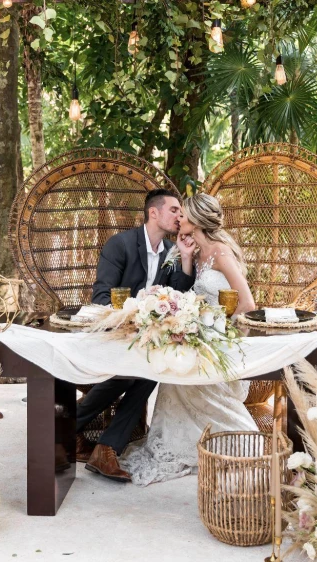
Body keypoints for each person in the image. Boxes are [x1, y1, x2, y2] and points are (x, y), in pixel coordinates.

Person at [120, 193, 258, 486]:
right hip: (196, 334)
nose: (178, 219)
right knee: (173, 368)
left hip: (218, 339)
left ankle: (237, 442)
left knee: (185, 369)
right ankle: (183, 443)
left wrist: (223, 336)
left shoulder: (220, 252)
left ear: (195, 219)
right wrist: (184, 258)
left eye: (182, 214)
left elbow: (246, 304)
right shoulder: (190, 251)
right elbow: (178, 293)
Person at [77, 189, 196, 482]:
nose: (180, 216)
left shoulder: (171, 250)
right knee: (139, 372)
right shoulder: (120, 245)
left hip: (146, 337)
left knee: (152, 368)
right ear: (153, 213)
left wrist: (187, 256)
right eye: (174, 210)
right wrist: (141, 300)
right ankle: (89, 439)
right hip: (113, 333)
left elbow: (179, 294)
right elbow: (101, 296)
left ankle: (99, 444)